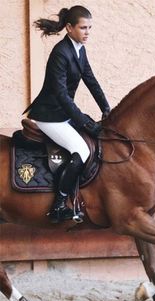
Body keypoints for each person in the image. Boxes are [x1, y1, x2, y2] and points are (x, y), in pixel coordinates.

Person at [23, 5, 110, 224]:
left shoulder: (80, 49)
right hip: (49, 114)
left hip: (62, 112)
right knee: (80, 149)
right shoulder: (60, 53)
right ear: (69, 28)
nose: (87, 32)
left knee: (91, 138)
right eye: (83, 28)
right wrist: (83, 120)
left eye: (90, 28)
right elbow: (61, 94)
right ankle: (59, 205)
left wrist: (106, 108)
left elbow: (91, 80)